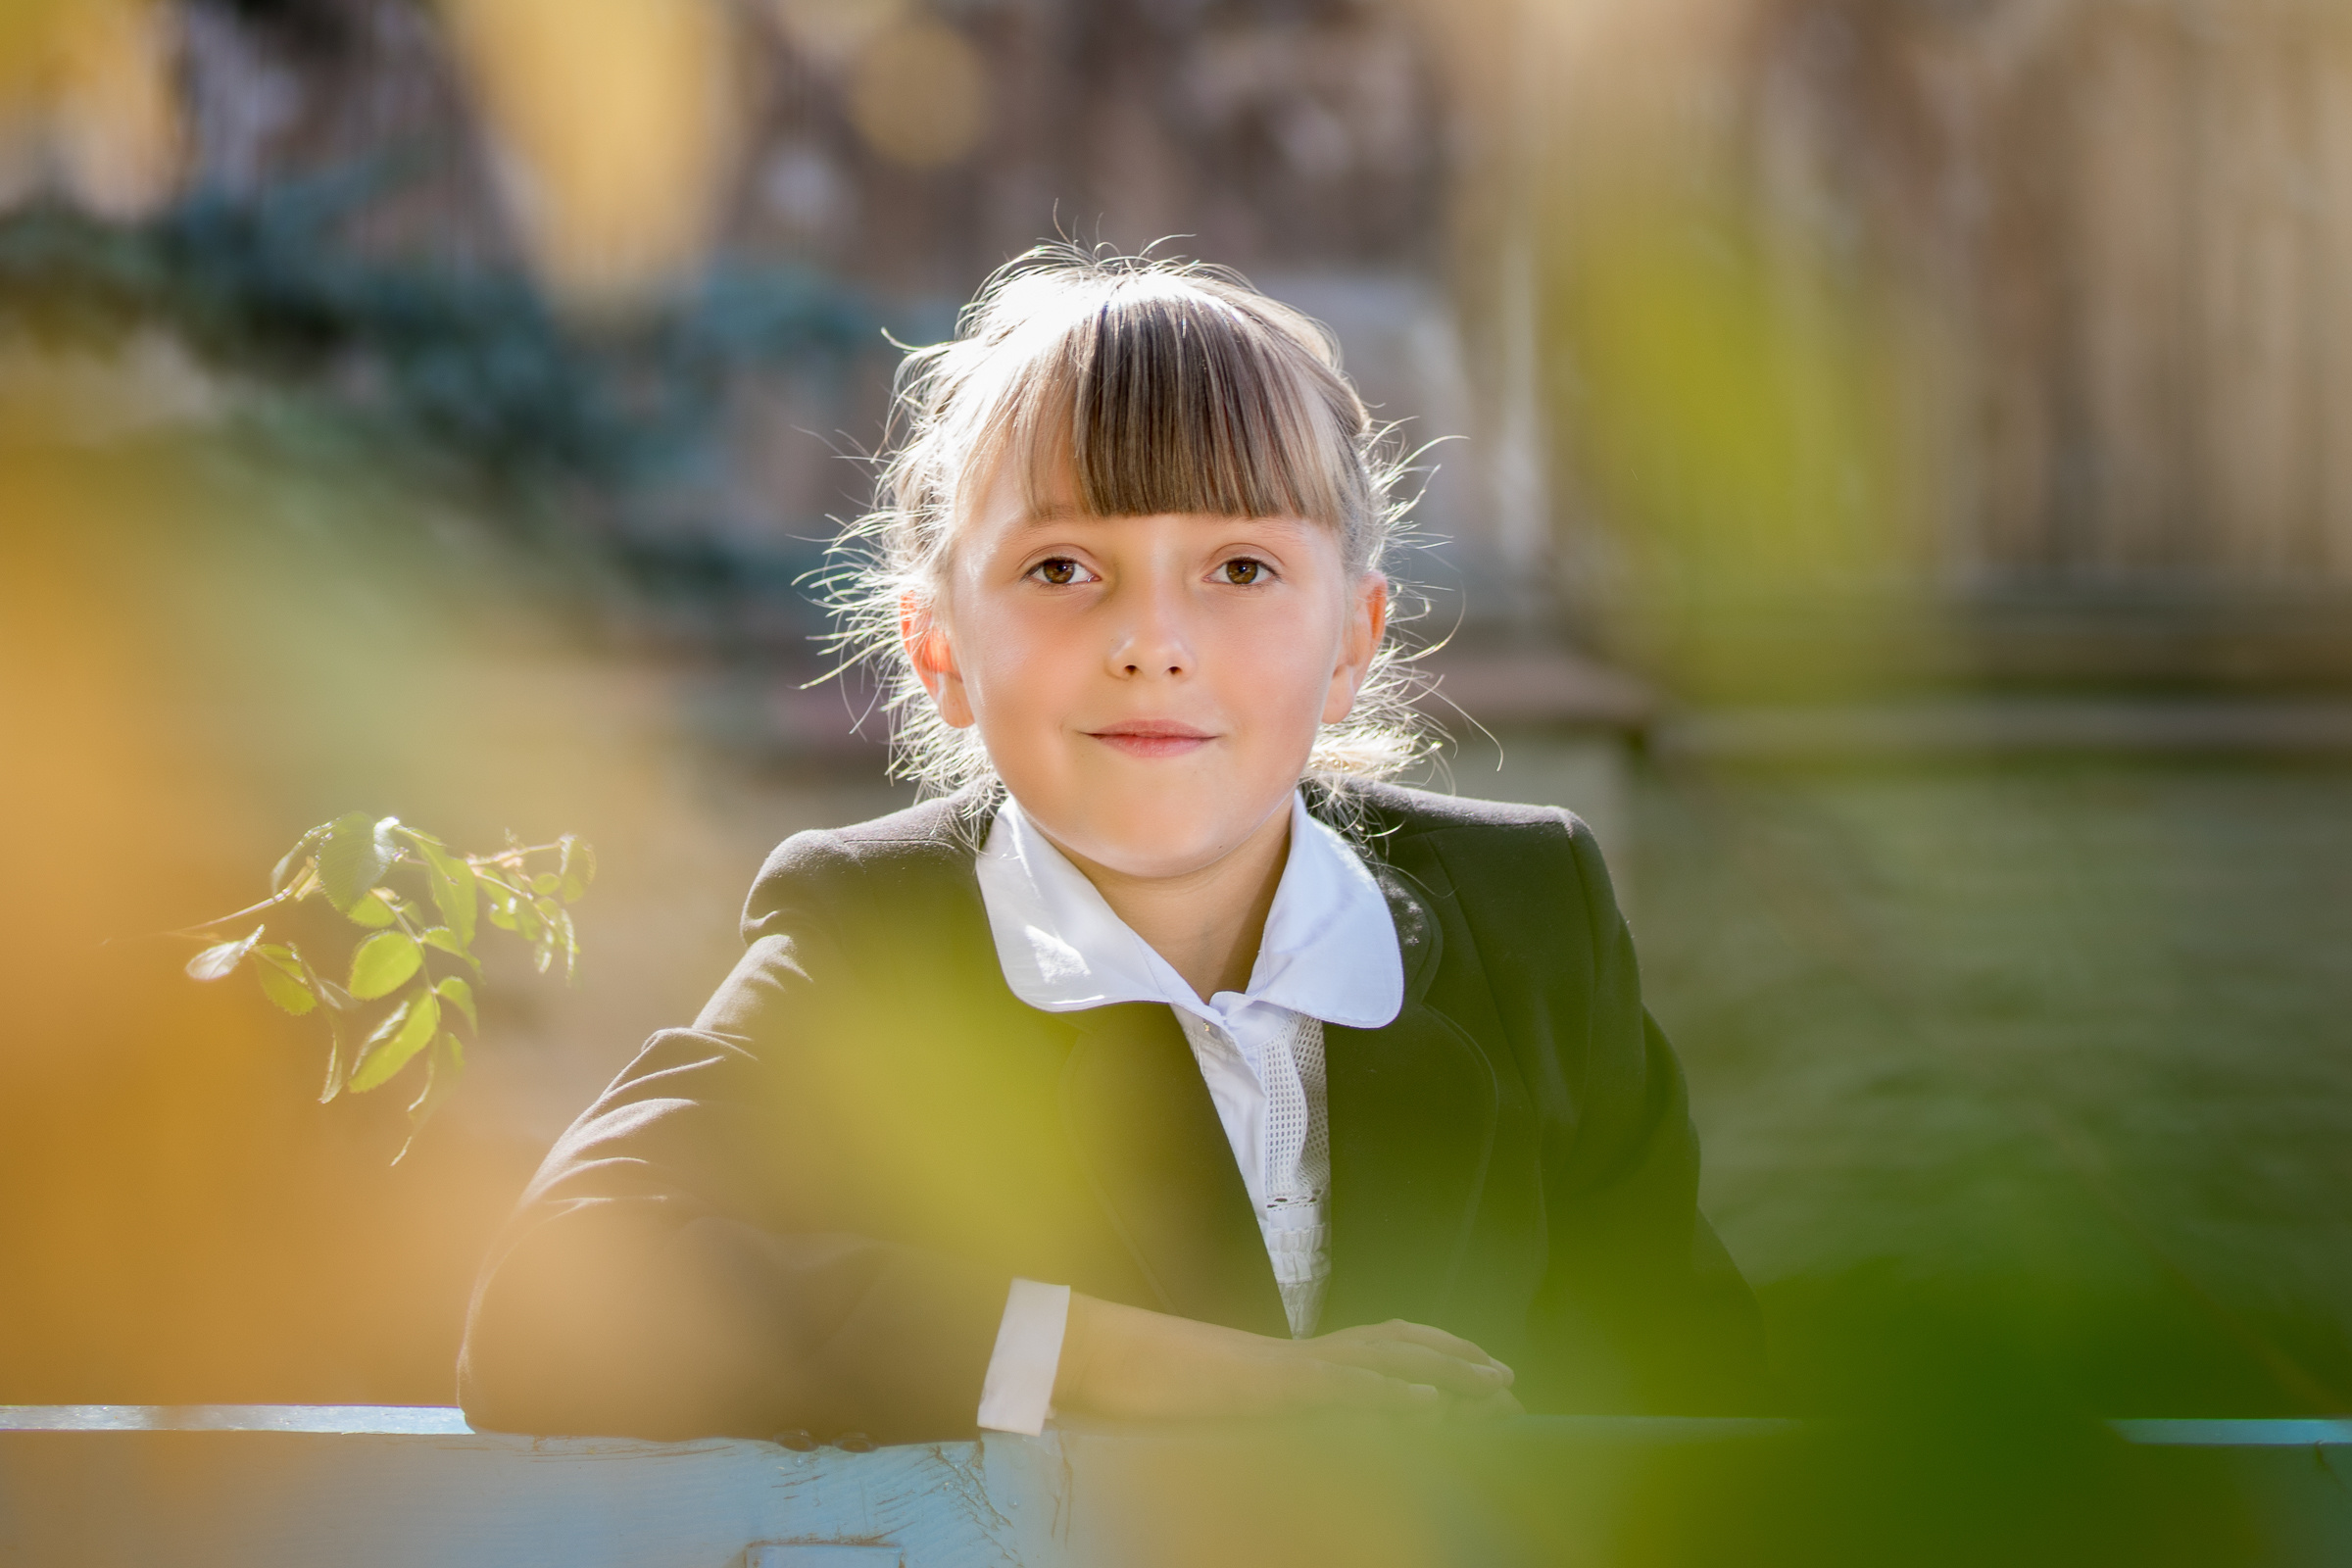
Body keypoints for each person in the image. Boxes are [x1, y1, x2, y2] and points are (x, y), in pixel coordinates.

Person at [457, 247, 1763, 1445]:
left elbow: (1694, 1393)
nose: (1154, 640)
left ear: (1353, 642)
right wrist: (1143, 1363)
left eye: (1241, 568)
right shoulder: (875, 933)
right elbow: (557, 1292)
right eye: (1065, 570)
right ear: (940, 649)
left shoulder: (1531, 915)